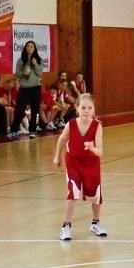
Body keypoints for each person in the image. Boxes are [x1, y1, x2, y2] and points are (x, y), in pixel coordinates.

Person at [53, 93, 105, 240]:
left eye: (90, 108)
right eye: (83, 108)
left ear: (94, 109)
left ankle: (95, 223)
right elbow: (62, 139)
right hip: (73, 163)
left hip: (91, 164)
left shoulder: (97, 126)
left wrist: (92, 148)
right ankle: (66, 226)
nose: (86, 111)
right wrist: (57, 156)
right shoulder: (71, 124)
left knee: (95, 194)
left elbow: (100, 151)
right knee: (73, 191)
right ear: (77, 108)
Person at [14, 41, 45, 136]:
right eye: (28, 46)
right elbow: (17, 74)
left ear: (34, 49)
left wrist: (35, 64)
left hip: (35, 88)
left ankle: (32, 130)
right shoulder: (21, 60)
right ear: (25, 48)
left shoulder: (38, 59)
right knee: (19, 110)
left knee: (35, 110)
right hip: (24, 88)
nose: (30, 48)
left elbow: (39, 73)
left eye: (32, 46)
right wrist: (23, 73)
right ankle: (14, 130)